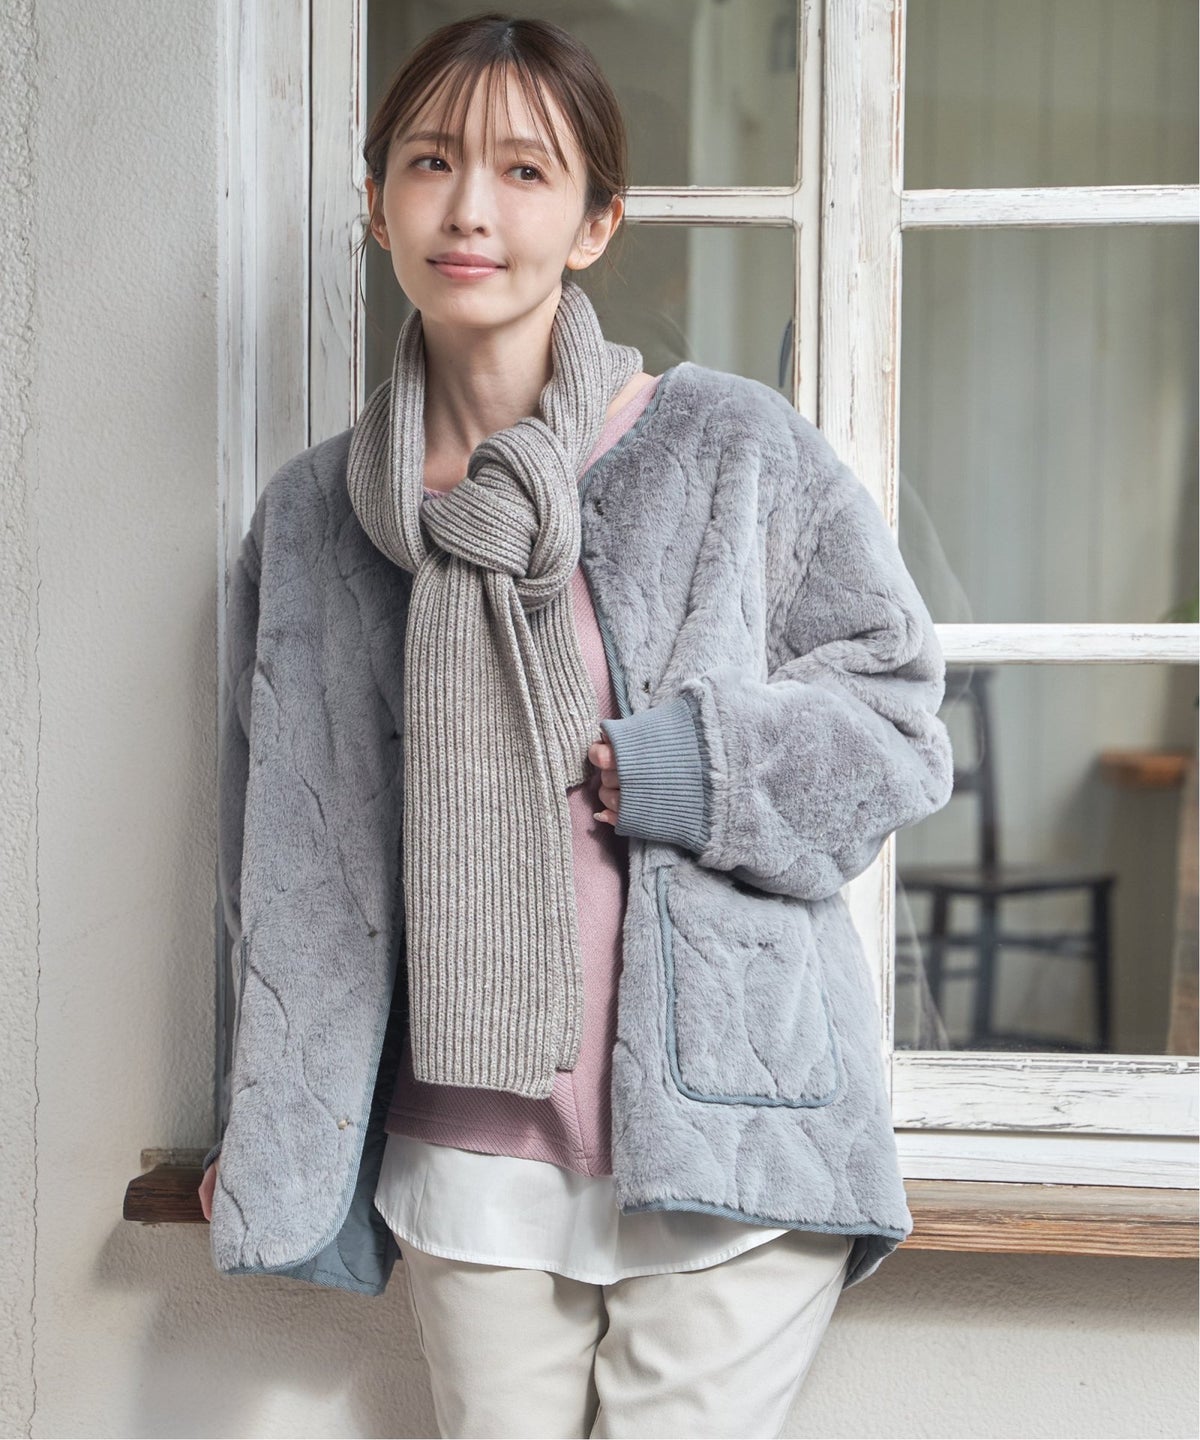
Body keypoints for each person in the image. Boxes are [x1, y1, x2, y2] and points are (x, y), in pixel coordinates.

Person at [199, 12, 955, 1438]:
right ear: (376, 203)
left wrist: (694, 765)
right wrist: (270, 1123)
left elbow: (898, 719)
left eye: (525, 171)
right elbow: (284, 858)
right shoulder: (315, 519)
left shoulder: (729, 448)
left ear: (597, 221)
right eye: (431, 162)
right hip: (471, 1148)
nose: (469, 209)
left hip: (728, 1126)